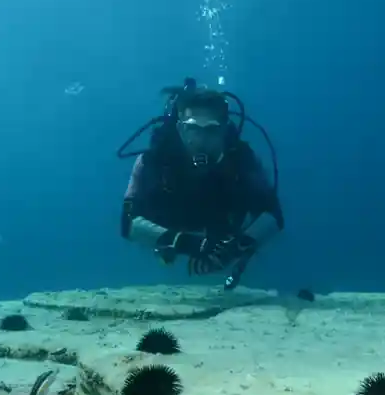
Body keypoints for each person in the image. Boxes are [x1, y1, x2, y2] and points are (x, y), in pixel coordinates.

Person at [117, 79, 283, 289]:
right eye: (193, 128)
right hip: (170, 226)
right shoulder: (153, 161)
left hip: (223, 230)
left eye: (211, 130)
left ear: (224, 129)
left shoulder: (241, 160)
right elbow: (127, 223)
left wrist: (236, 247)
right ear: (179, 128)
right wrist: (186, 243)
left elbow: (274, 215)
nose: (201, 139)